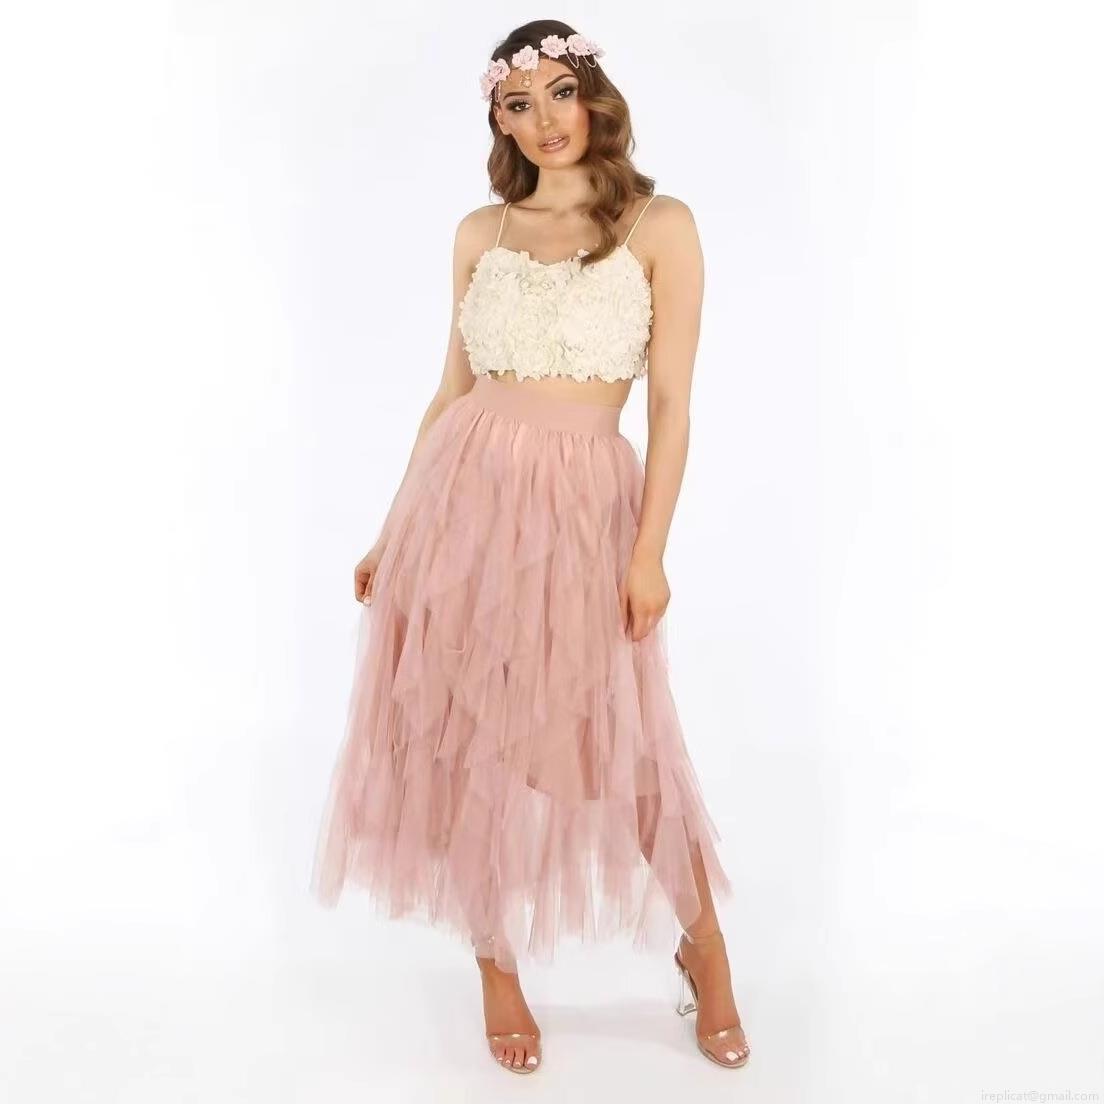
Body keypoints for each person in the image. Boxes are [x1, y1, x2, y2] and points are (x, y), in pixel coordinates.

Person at [310, 19, 751, 1075]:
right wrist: (392, 529)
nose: (545, 119)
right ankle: (494, 963)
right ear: (499, 121)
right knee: (468, 740)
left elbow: (673, 406)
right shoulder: (483, 231)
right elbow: (450, 393)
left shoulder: (660, 224)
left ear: (594, 97)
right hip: (460, 503)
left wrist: (650, 552)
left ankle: (705, 948)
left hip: (584, 507)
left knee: (622, 747)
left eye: (560, 92)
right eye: (519, 103)